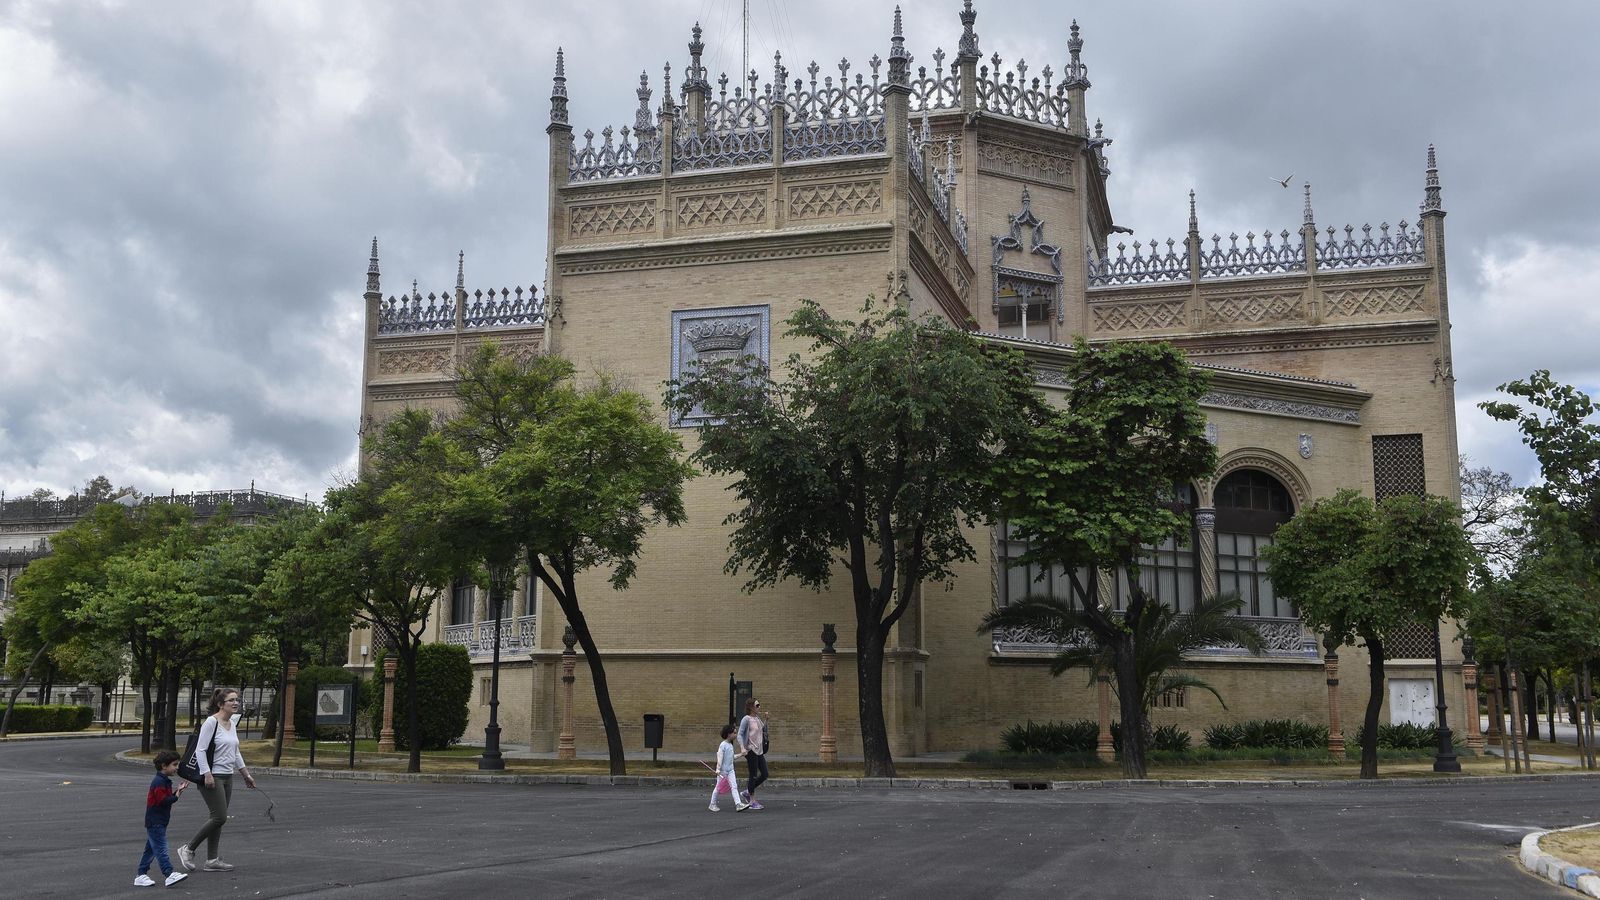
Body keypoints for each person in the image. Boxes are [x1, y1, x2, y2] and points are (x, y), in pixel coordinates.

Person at [177, 688, 256, 873]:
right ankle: (188, 849)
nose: (236, 703)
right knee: (219, 816)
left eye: (237, 699)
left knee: (218, 819)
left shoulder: (232, 723)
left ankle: (212, 860)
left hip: (228, 776)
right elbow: (200, 750)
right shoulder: (211, 723)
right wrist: (207, 774)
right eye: (231, 700)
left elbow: (235, 752)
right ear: (221, 704)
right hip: (213, 776)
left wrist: (246, 775)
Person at [134, 750, 189, 887]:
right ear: (164, 766)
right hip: (155, 821)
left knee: (151, 849)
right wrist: (176, 795)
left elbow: (166, 799)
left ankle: (141, 874)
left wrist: (177, 792)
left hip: (159, 821)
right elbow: (163, 800)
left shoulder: (163, 781)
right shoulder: (159, 782)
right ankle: (168, 873)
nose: (177, 768)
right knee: (161, 848)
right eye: (174, 765)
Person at [708, 723, 749, 812]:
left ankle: (738, 804)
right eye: (734, 733)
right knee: (718, 788)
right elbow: (720, 757)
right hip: (722, 771)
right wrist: (718, 769)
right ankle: (712, 804)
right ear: (728, 734)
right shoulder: (723, 745)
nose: (736, 734)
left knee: (734, 786)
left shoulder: (730, 745)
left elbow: (732, 757)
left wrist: (741, 754)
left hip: (730, 770)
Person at [737, 698, 768, 810]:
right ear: (751, 707)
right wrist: (742, 748)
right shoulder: (747, 719)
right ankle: (752, 801)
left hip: (759, 751)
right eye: (757, 705)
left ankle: (747, 792)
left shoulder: (757, 718)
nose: (759, 707)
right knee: (753, 775)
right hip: (751, 750)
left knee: (765, 774)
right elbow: (740, 734)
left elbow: (762, 730)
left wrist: (766, 720)